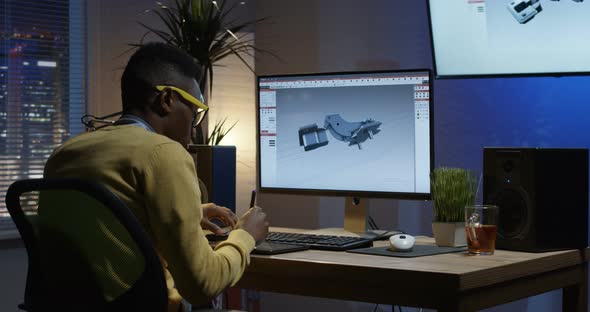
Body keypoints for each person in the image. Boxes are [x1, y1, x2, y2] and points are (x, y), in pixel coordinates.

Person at [43, 42, 269, 312]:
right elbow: (202, 286)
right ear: (167, 100)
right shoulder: (165, 153)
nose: (194, 128)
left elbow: (103, 229)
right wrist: (246, 236)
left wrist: (189, 212)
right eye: (195, 112)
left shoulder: (64, 153)